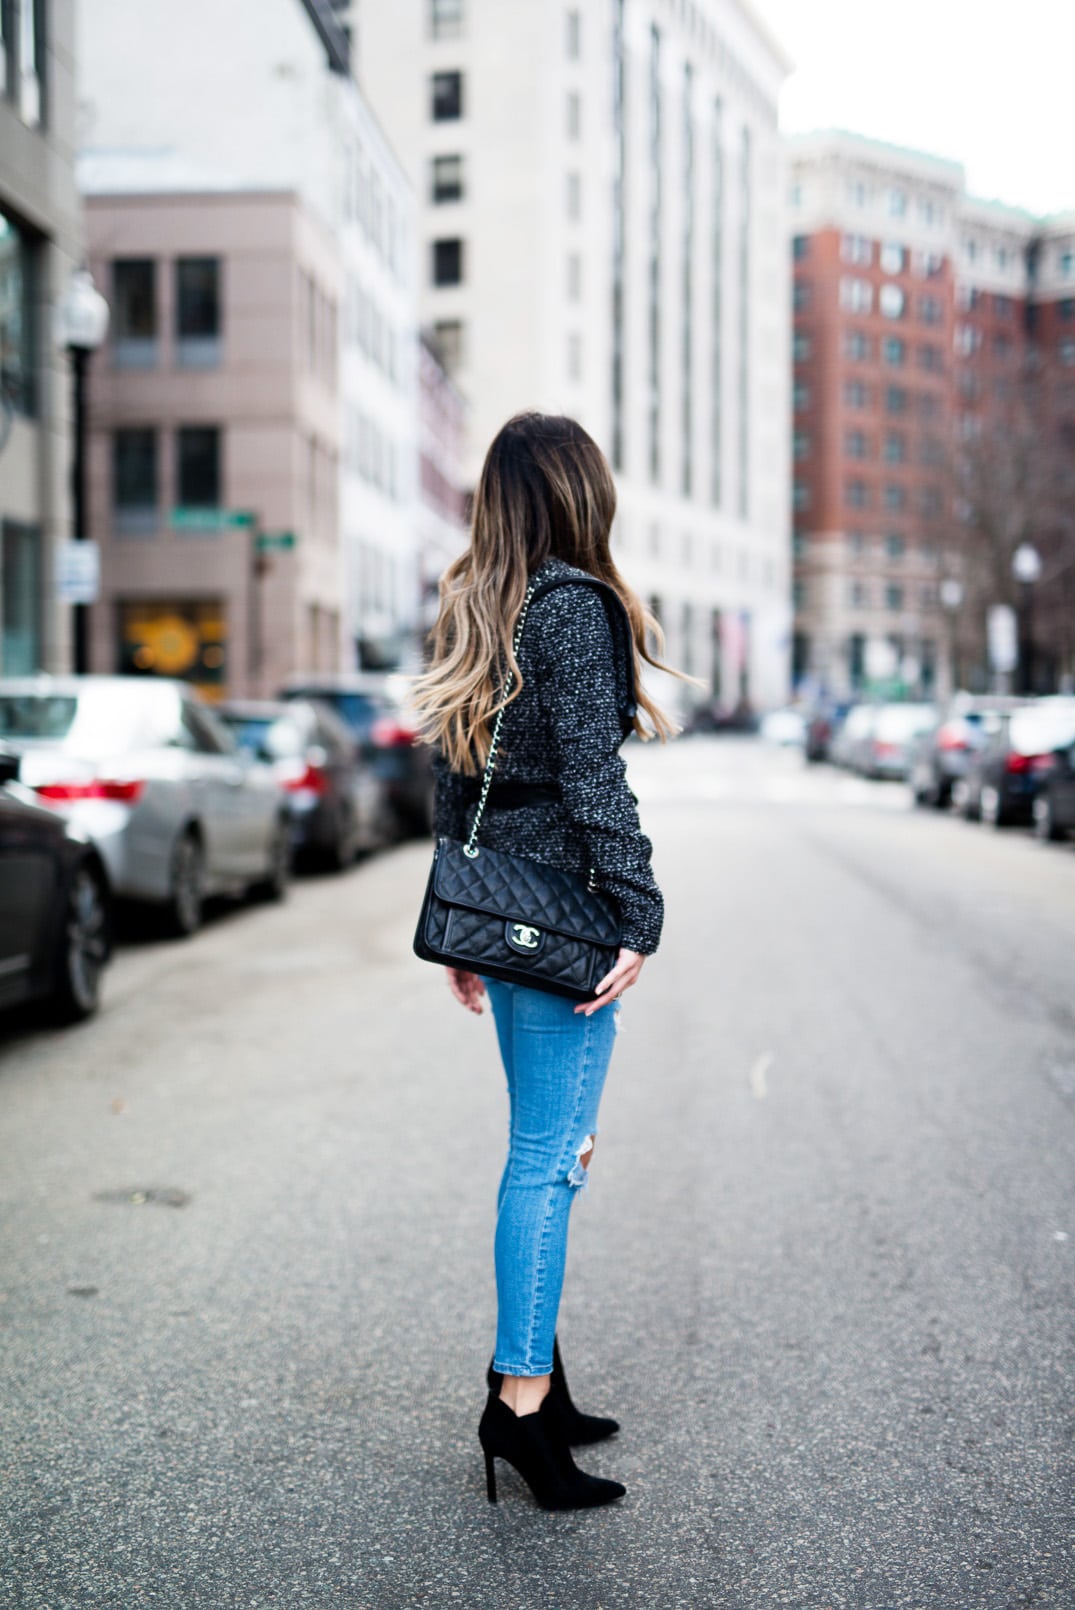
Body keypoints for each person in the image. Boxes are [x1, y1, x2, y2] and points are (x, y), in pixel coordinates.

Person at [412, 412, 683, 1510]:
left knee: (543, 1146)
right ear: (582, 494)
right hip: (566, 918)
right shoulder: (573, 606)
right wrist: (641, 911)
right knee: (550, 1155)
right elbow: (592, 779)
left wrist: (456, 914)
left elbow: (454, 765)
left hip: (502, 910)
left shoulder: (477, 597)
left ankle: (543, 1379)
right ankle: (518, 1404)